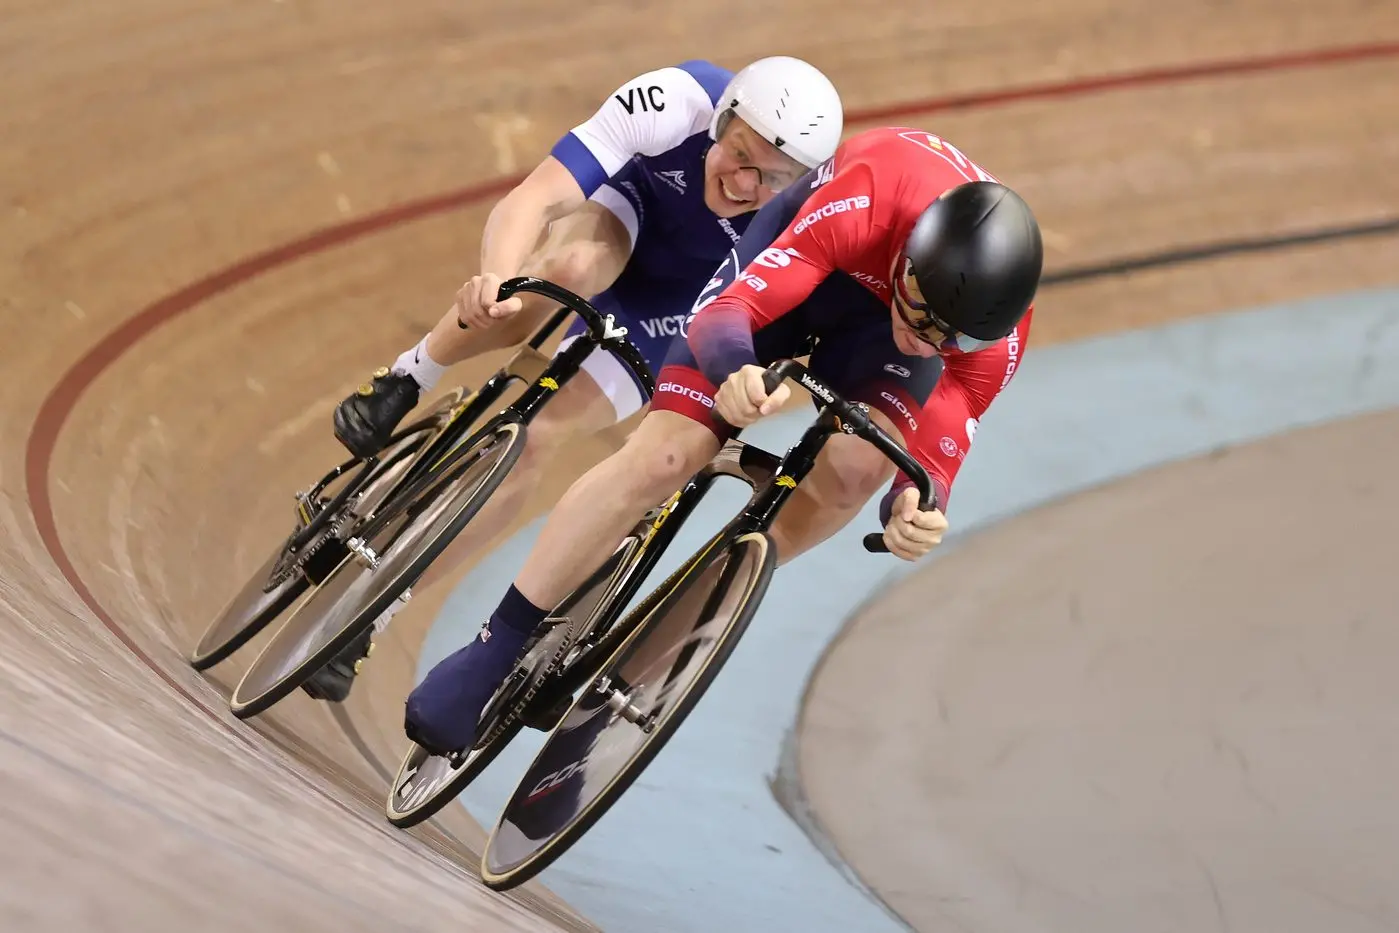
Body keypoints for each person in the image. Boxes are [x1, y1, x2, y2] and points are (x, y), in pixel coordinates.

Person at [403, 124, 1045, 756]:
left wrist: (914, 503)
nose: (928, 340)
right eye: (923, 311)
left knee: (856, 472)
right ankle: (494, 649)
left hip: (869, 342)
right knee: (668, 456)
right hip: (807, 273)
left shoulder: (990, 332)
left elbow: (946, 425)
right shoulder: (868, 201)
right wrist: (734, 369)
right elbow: (729, 314)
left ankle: (629, 681)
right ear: (908, 256)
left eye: (951, 338)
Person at [300, 56, 845, 701]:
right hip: (627, 221)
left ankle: (378, 603)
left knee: (535, 441)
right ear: (721, 120)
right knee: (574, 267)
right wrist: (497, 279)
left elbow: (796, 335)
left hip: (681, 307)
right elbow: (536, 196)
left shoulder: (809, 210)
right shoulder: (677, 100)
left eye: (772, 177)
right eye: (738, 155)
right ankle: (408, 377)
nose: (747, 183)